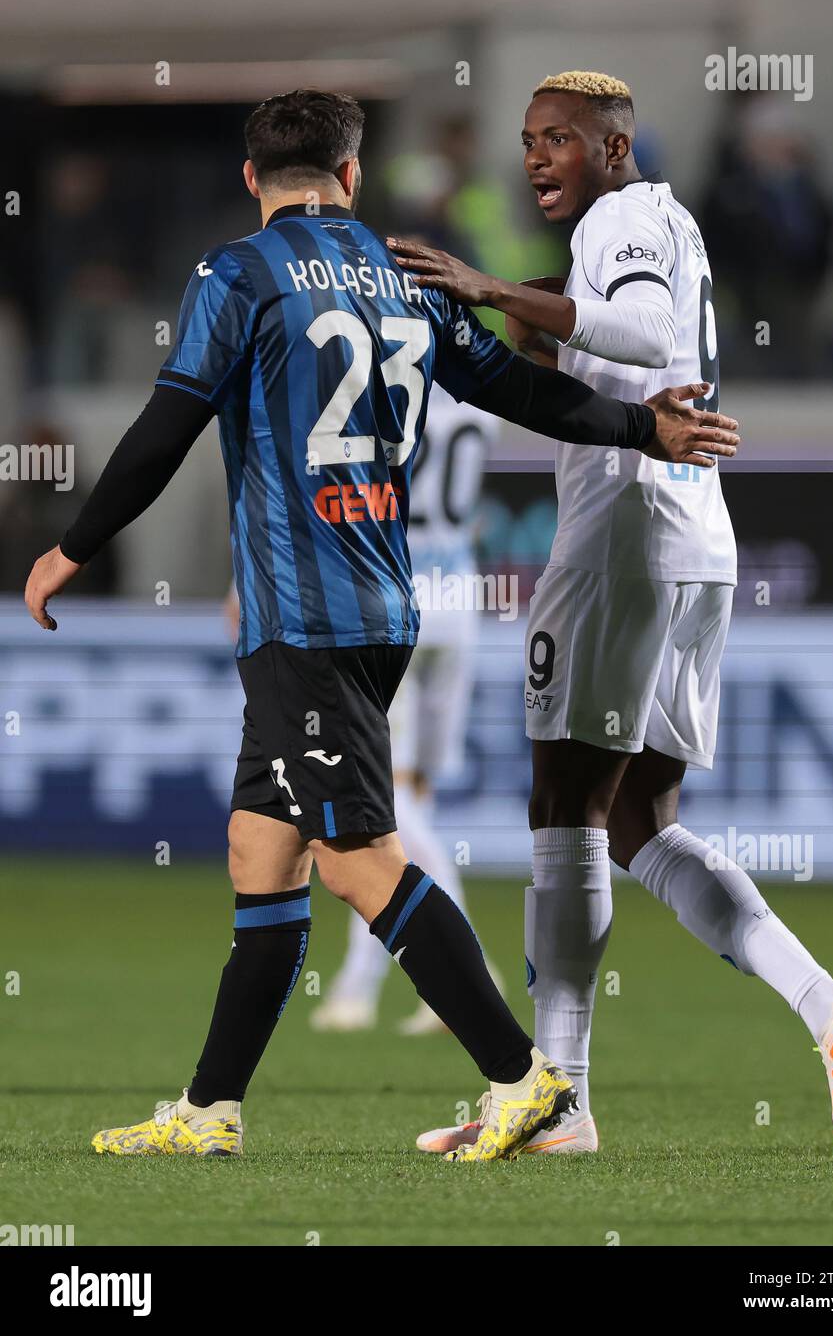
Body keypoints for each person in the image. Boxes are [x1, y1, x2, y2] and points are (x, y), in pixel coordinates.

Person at [23, 88, 730, 1164]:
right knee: (261, 854)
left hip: (303, 615)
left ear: (252, 180)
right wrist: (645, 426)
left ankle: (524, 1081)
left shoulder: (236, 274)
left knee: (360, 861)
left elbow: (166, 425)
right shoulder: (406, 273)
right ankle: (211, 1109)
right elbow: (514, 391)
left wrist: (69, 547)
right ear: (352, 178)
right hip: (383, 606)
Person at [392, 71, 833, 1160]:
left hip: (624, 533)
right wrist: (487, 302)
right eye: (528, 140)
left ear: (614, 147)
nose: (535, 159)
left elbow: (636, 330)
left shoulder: (620, 218)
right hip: (692, 538)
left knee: (561, 803)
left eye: (560, 140)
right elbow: (604, 325)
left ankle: (556, 1098)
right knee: (636, 823)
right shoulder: (661, 218)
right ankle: (829, 1010)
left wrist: (485, 284)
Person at [313, 382, 504, 1035]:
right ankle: (358, 987)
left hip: (398, 601)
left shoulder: (389, 388)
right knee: (404, 803)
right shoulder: (478, 406)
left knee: (384, 805)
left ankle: (462, 968)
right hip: (462, 598)